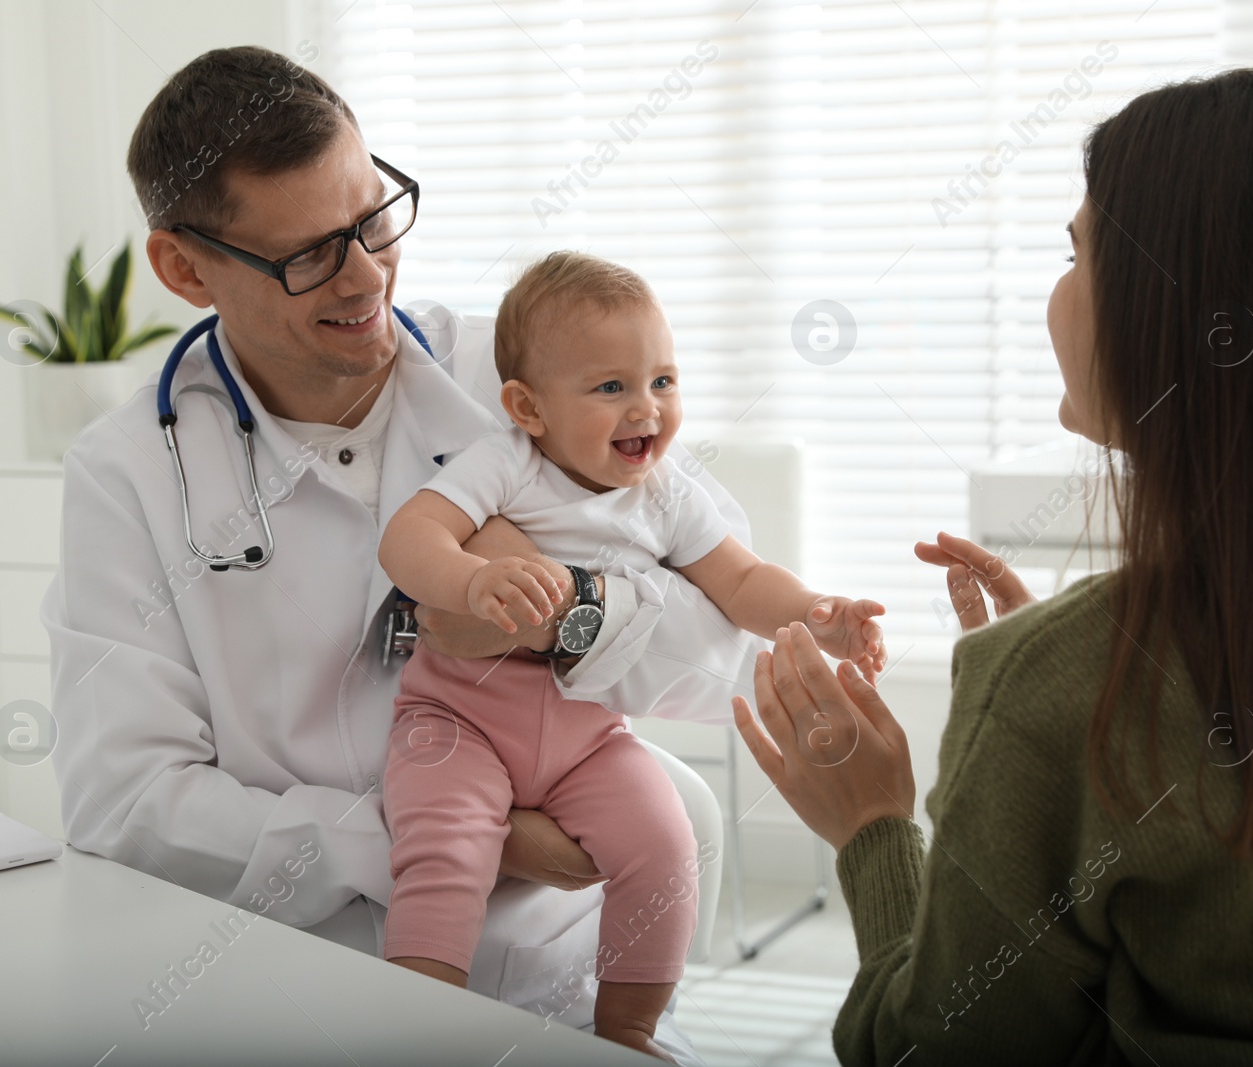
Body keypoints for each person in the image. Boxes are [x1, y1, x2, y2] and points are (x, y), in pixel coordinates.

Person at [40, 46, 764, 1063]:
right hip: (293, 995)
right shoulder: (127, 473)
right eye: (308, 255)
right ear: (184, 267)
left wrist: (572, 609)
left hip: (558, 992)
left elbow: (725, 637)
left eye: (374, 219)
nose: (367, 274)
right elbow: (128, 804)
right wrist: (448, 836)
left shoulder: (519, 376)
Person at [734, 68, 1253, 1064]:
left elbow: (933, 1051)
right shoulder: (1071, 674)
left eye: (1075, 251)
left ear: (1170, 310)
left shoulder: (1055, 683)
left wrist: (874, 827)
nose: (1055, 292)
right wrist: (1063, 672)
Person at [376, 251, 886, 1059]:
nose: (645, 407)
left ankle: (628, 1028)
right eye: (610, 387)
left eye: (663, 380)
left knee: (667, 841)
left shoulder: (668, 494)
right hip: (458, 717)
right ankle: (422, 1034)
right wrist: (473, 584)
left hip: (582, 730)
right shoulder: (508, 463)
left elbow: (742, 580)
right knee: (445, 851)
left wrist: (818, 613)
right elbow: (408, 538)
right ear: (527, 406)